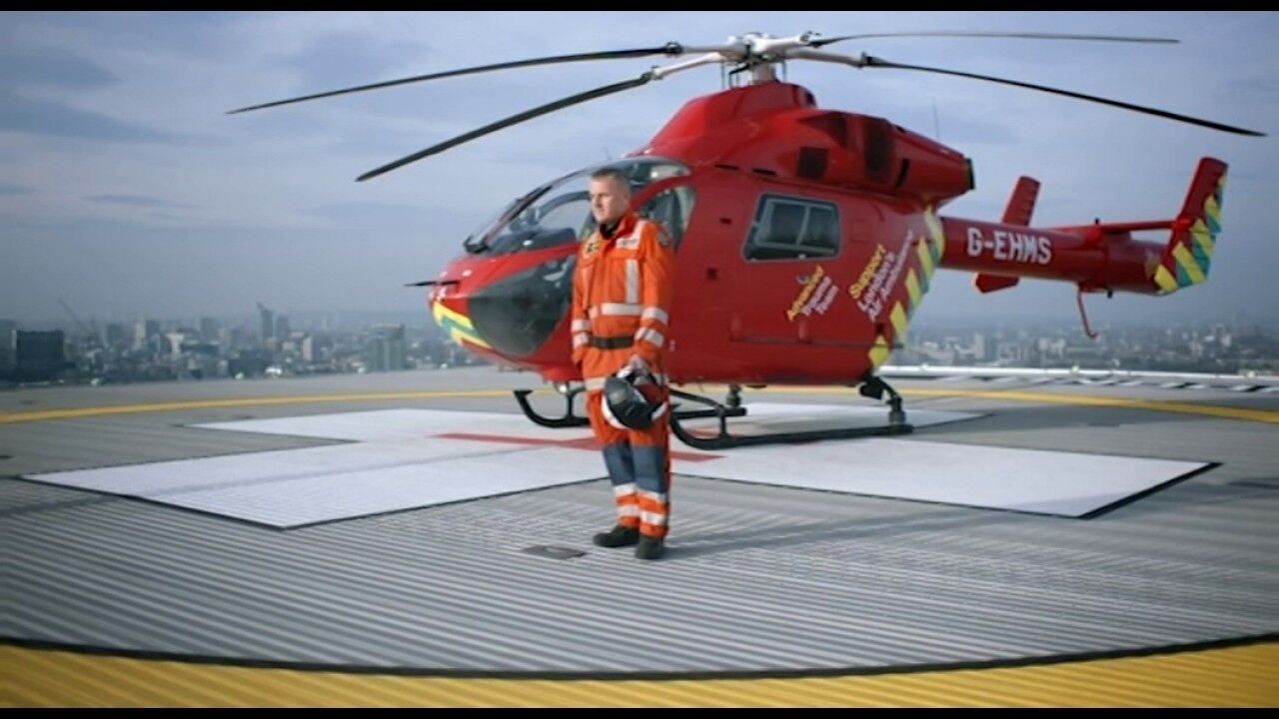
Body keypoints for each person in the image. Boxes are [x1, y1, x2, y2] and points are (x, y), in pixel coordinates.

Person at [571, 167, 675, 560]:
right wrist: (581, 352)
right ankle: (628, 520)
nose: (596, 203)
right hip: (596, 360)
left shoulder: (648, 235)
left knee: (646, 446)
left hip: (634, 357)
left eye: (604, 195)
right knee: (613, 446)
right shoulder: (589, 246)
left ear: (625, 197)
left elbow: (658, 300)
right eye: (592, 197)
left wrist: (643, 354)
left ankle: (653, 530)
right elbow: (579, 306)